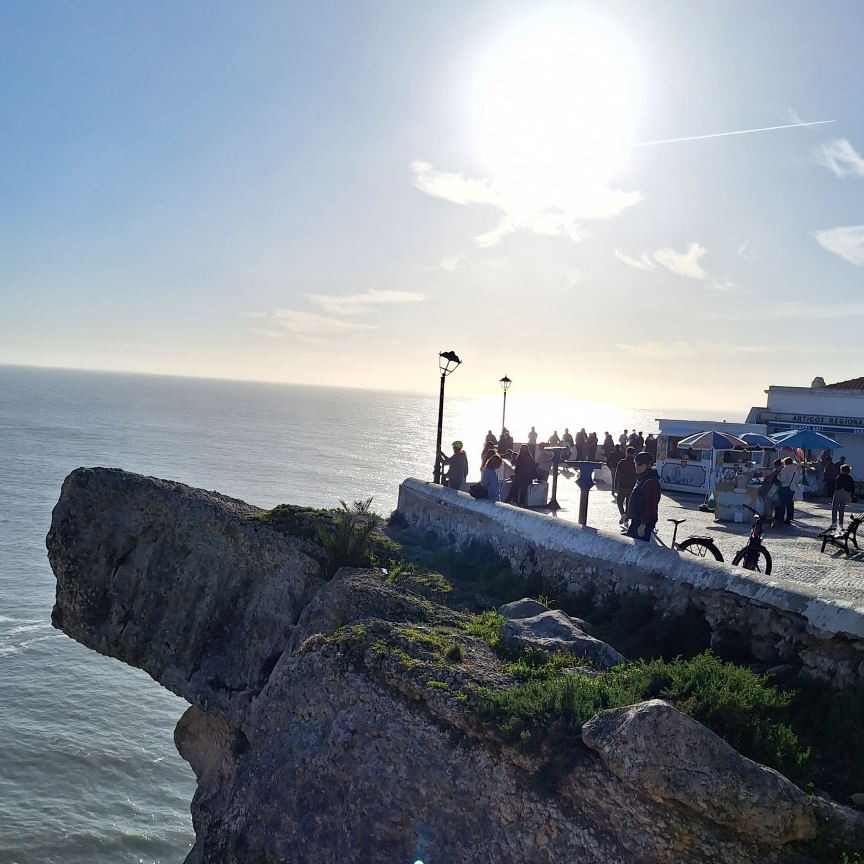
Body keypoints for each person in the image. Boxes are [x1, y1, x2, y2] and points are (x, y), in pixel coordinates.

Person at [626, 452, 661, 542]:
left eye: (640, 464)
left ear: (648, 465)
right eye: (635, 463)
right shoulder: (642, 478)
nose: (637, 466)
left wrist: (643, 523)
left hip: (644, 520)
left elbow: (651, 504)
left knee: (637, 546)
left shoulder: (650, 481)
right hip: (638, 518)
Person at [614, 447, 637, 525]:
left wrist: (615, 486)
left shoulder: (621, 462)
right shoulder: (635, 463)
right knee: (628, 503)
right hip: (631, 486)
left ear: (626, 453)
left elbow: (617, 475)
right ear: (634, 454)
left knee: (619, 502)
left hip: (622, 485)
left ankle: (623, 514)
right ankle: (626, 519)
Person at [830, 463, 856, 531]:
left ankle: (834, 522)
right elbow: (853, 487)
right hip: (847, 494)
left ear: (841, 470)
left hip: (839, 492)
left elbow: (836, 484)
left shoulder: (840, 476)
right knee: (842, 509)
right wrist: (851, 496)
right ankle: (841, 524)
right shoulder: (850, 478)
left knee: (835, 507)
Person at [776, 456, 799, 525]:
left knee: (782, 504)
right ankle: (788, 518)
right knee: (789, 504)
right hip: (792, 489)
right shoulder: (796, 470)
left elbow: (783, 479)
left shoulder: (784, 470)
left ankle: (781, 518)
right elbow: (797, 481)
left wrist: (778, 476)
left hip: (784, 488)